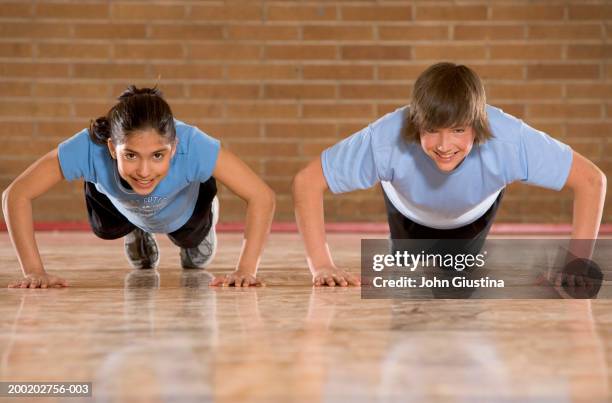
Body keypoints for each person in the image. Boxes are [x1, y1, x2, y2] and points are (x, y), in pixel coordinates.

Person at [293, 62, 607, 287]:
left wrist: (576, 263)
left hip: (471, 217)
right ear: (416, 124)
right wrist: (322, 265)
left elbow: (591, 180)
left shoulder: (510, 139)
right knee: (407, 285)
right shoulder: (386, 137)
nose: (445, 145)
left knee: (458, 280)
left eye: (458, 130)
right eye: (431, 130)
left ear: (478, 124)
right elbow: (307, 182)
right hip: (408, 213)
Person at [3, 86, 275, 288]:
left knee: (193, 255)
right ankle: (137, 227)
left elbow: (262, 196)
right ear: (111, 146)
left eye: (158, 155)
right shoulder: (89, 147)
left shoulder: (194, 145)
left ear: (175, 147)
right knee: (105, 228)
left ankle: (203, 223)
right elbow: (16, 195)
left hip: (183, 209)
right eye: (130, 155)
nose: (144, 171)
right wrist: (33, 270)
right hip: (122, 205)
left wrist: (246, 269)